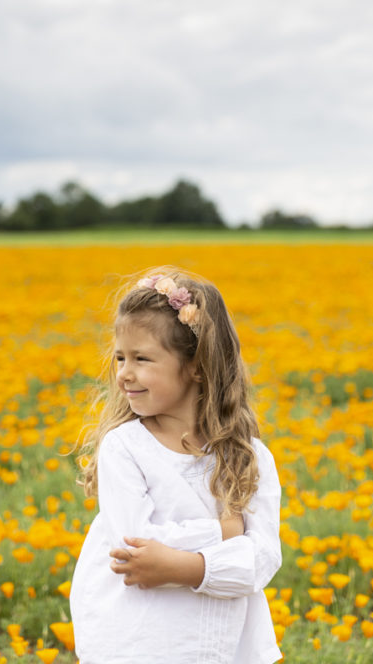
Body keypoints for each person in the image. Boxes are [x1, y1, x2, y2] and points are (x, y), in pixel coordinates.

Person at [70, 268, 282, 664]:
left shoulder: (249, 457)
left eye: (142, 358)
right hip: (138, 643)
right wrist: (223, 533)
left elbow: (261, 561)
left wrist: (182, 567)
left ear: (197, 366)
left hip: (222, 643)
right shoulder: (126, 448)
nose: (124, 374)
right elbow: (133, 547)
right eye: (120, 358)